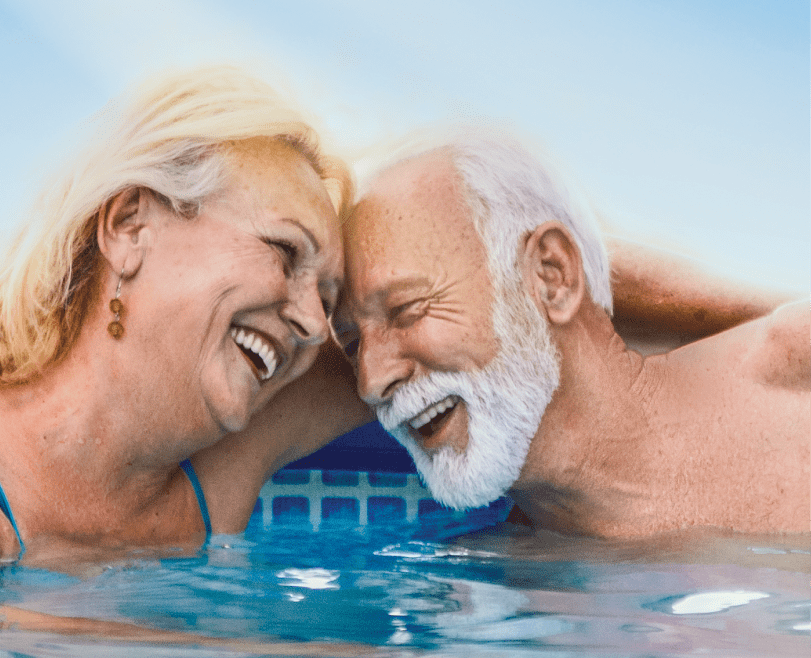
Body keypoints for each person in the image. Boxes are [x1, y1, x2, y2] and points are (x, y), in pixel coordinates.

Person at [0, 66, 369, 599]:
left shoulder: (222, 470)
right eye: (283, 249)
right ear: (130, 227)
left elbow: (434, 318)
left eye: (326, 297)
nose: (315, 326)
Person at [336, 128, 809, 537]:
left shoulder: (792, 369)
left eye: (407, 309)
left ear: (551, 274)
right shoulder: (487, 597)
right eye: (353, 343)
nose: (370, 381)